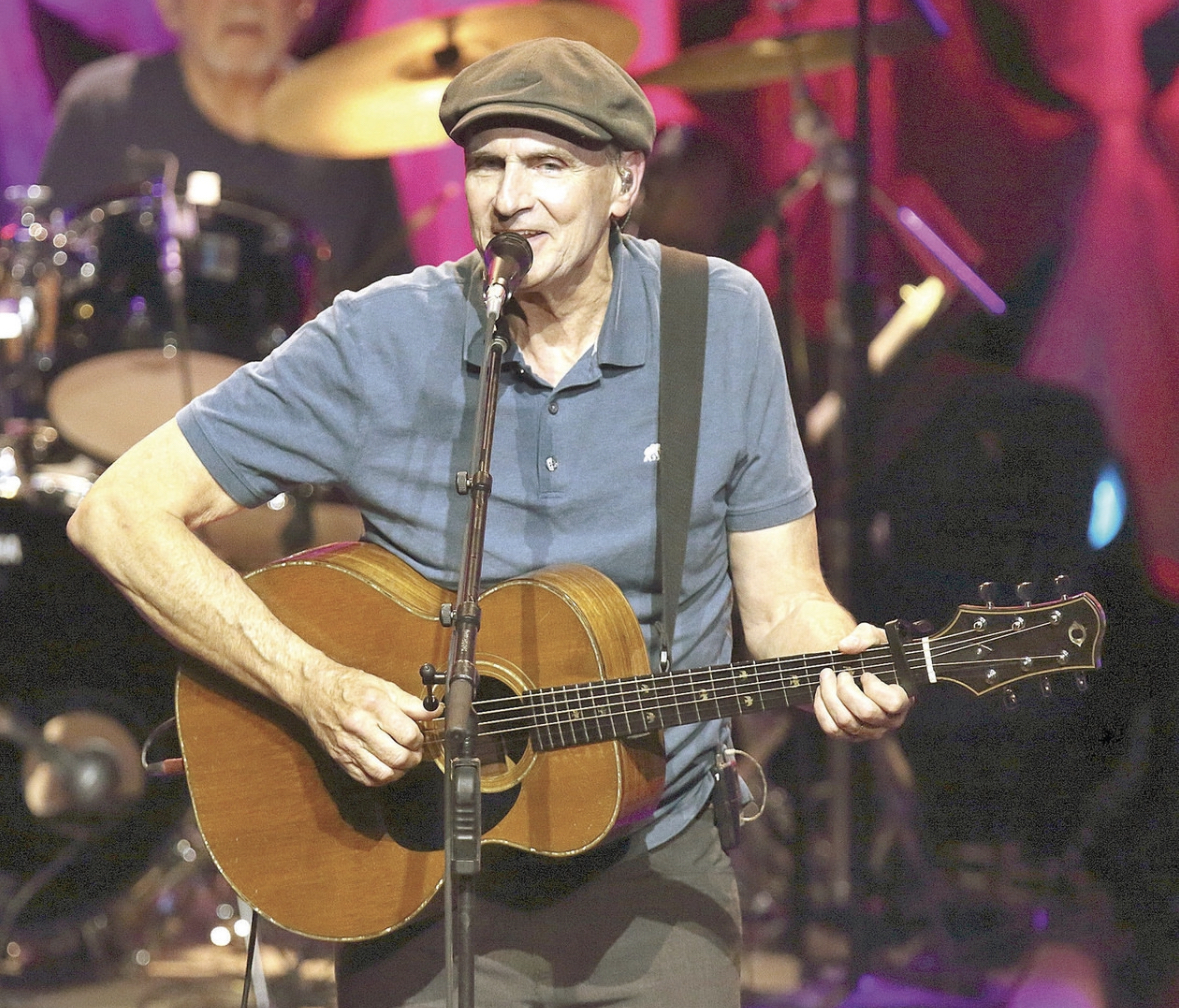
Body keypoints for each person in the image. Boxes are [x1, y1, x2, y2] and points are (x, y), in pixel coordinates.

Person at [65, 37, 913, 1008]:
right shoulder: (384, 336)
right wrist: (313, 686)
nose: (510, 198)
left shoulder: (718, 322)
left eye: (549, 164)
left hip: (656, 864)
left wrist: (841, 653)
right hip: (413, 856)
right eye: (488, 164)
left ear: (625, 181)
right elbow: (119, 513)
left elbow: (785, 608)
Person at [37, 0, 413, 296]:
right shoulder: (103, 110)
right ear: (170, 6)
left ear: (305, 4)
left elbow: (391, 308)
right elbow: (42, 276)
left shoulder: (349, 131)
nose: (245, 3)